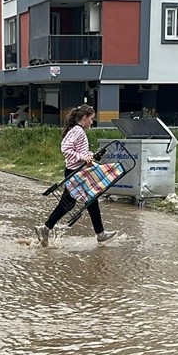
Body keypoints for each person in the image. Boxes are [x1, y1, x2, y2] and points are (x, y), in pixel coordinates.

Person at [35, 104, 117, 247]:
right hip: (75, 173)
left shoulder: (77, 130)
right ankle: (46, 228)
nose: (92, 122)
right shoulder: (78, 130)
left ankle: (100, 234)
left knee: (88, 201)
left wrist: (89, 156)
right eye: (91, 119)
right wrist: (82, 157)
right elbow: (65, 148)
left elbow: (77, 151)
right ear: (84, 118)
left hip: (77, 172)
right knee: (71, 203)